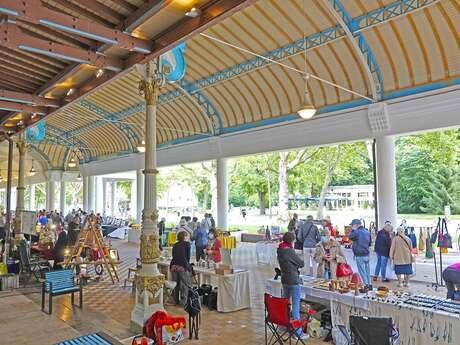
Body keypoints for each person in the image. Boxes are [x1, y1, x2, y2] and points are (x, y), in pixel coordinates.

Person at [277, 232, 308, 340]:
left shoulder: (280, 249)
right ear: (291, 241)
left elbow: (289, 262)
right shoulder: (289, 251)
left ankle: (282, 325)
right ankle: (298, 333)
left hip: (284, 279)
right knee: (295, 307)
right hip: (293, 280)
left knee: (285, 303)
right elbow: (301, 263)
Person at [170, 231, 192, 305]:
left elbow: (173, 255)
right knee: (185, 285)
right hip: (182, 266)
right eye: (187, 236)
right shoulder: (187, 244)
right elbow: (188, 257)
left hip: (173, 266)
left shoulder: (175, 245)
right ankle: (184, 302)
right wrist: (188, 266)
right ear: (184, 237)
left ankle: (175, 300)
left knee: (175, 284)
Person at [348, 219, 372, 288]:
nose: (351, 227)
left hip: (359, 255)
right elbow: (370, 243)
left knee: (362, 271)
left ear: (356, 225)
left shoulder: (356, 232)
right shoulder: (367, 232)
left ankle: (366, 285)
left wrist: (353, 230)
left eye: (352, 225)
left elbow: (350, 237)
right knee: (367, 271)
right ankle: (369, 284)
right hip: (366, 254)